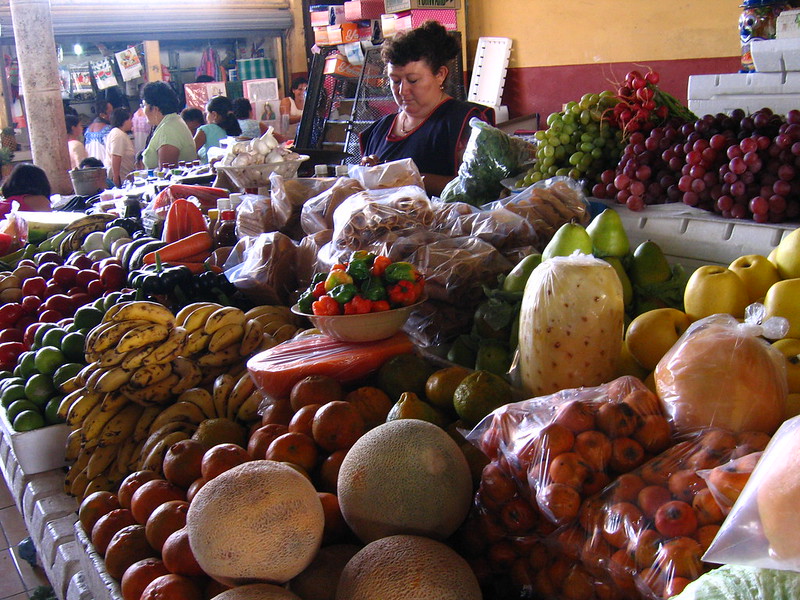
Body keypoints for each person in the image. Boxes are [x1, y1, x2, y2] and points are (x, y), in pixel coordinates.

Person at [359, 21, 494, 196]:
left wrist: (410, 178)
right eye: (395, 80)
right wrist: (369, 173)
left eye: (413, 80)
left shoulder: (465, 123)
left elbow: (479, 188)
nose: (402, 90)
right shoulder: (379, 130)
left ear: (440, 75)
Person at [140, 81, 198, 169]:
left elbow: (166, 173)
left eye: (144, 105)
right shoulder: (173, 121)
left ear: (155, 108)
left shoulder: (168, 130)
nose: (143, 110)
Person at [194, 95, 241, 164]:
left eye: (207, 113)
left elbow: (190, 152)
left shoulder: (205, 130)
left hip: (210, 171)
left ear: (214, 115)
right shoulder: (235, 129)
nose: (206, 117)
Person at [104, 107, 136, 187]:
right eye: (129, 119)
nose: (132, 122)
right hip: (121, 179)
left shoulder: (121, 133)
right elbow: (116, 156)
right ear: (123, 120)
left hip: (125, 178)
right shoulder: (118, 134)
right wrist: (116, 178)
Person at [84, 97, 113, 162]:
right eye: (110, 112)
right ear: (102, 115)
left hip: (91, 167)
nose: (112, 115)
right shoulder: (109, 130)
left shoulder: (87, 130)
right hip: (105, 167)